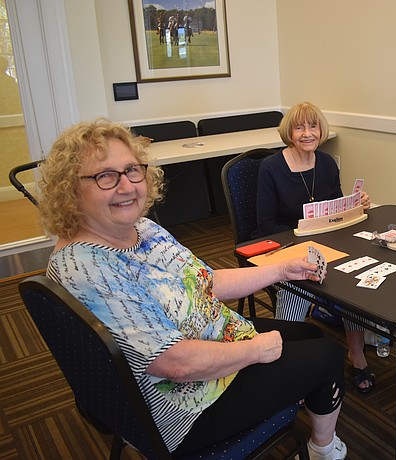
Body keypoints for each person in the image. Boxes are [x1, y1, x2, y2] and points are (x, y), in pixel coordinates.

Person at [38, 119, 348, 460]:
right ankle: (324, 450)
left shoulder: (142, 228)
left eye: (132, 170)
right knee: (329, 356)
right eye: (105, 176)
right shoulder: (87, 268)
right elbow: (174, 364)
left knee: (309, 336)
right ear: (70, 189)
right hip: (189, 405)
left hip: (213, 345)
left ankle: (297, 397)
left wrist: (280, 270)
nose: (126, 186)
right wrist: (257, 350)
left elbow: (204, 281)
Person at [256, 102, 376, 393]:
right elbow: (265, 224)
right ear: (289, 132)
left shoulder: (326, 163)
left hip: (328, 244)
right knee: (298, 284)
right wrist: (302, 240)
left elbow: (334, 209)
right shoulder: (270, 168)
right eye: (300, 127)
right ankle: (285, 361)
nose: (307, 133)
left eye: (313, 126)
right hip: (286, 245)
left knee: (356, 286)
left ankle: (356, 354)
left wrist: (354, 206)